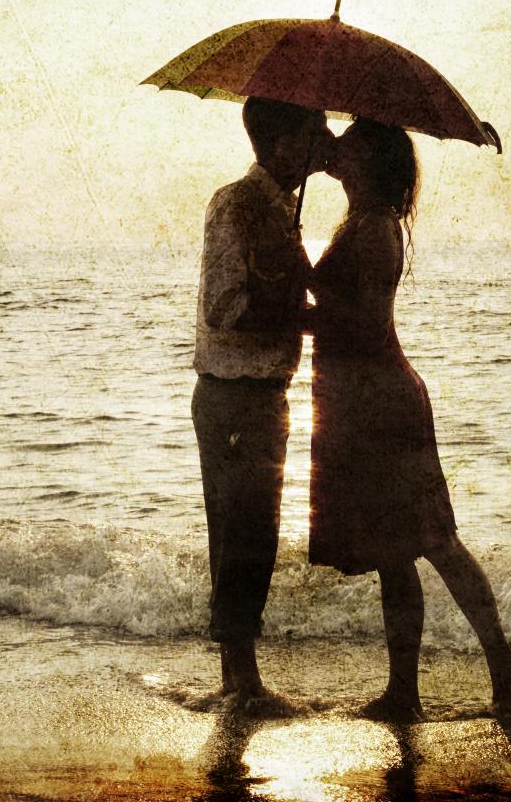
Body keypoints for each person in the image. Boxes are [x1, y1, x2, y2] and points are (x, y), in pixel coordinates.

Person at [305, 117, 511, 721]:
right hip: (364, 403)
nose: (339, 148)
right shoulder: (360, 220)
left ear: (371, 162)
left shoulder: (375, 229)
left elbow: (368, 327)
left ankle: (498, 664)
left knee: (434, 541)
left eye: (351, 143)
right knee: (397, 552)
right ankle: (409, 689)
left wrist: (298, 304)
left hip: (382, 405)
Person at [191, 95, 333, 711]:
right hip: (235, 391)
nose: (322, 140)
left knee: (252, 531)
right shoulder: (238, 203)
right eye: (313, 131)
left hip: (259, 393)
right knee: (242, 533)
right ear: (282, 142)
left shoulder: (278, 209)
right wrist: (306, 318)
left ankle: (238, 676)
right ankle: (241, 680)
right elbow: (224, 307)